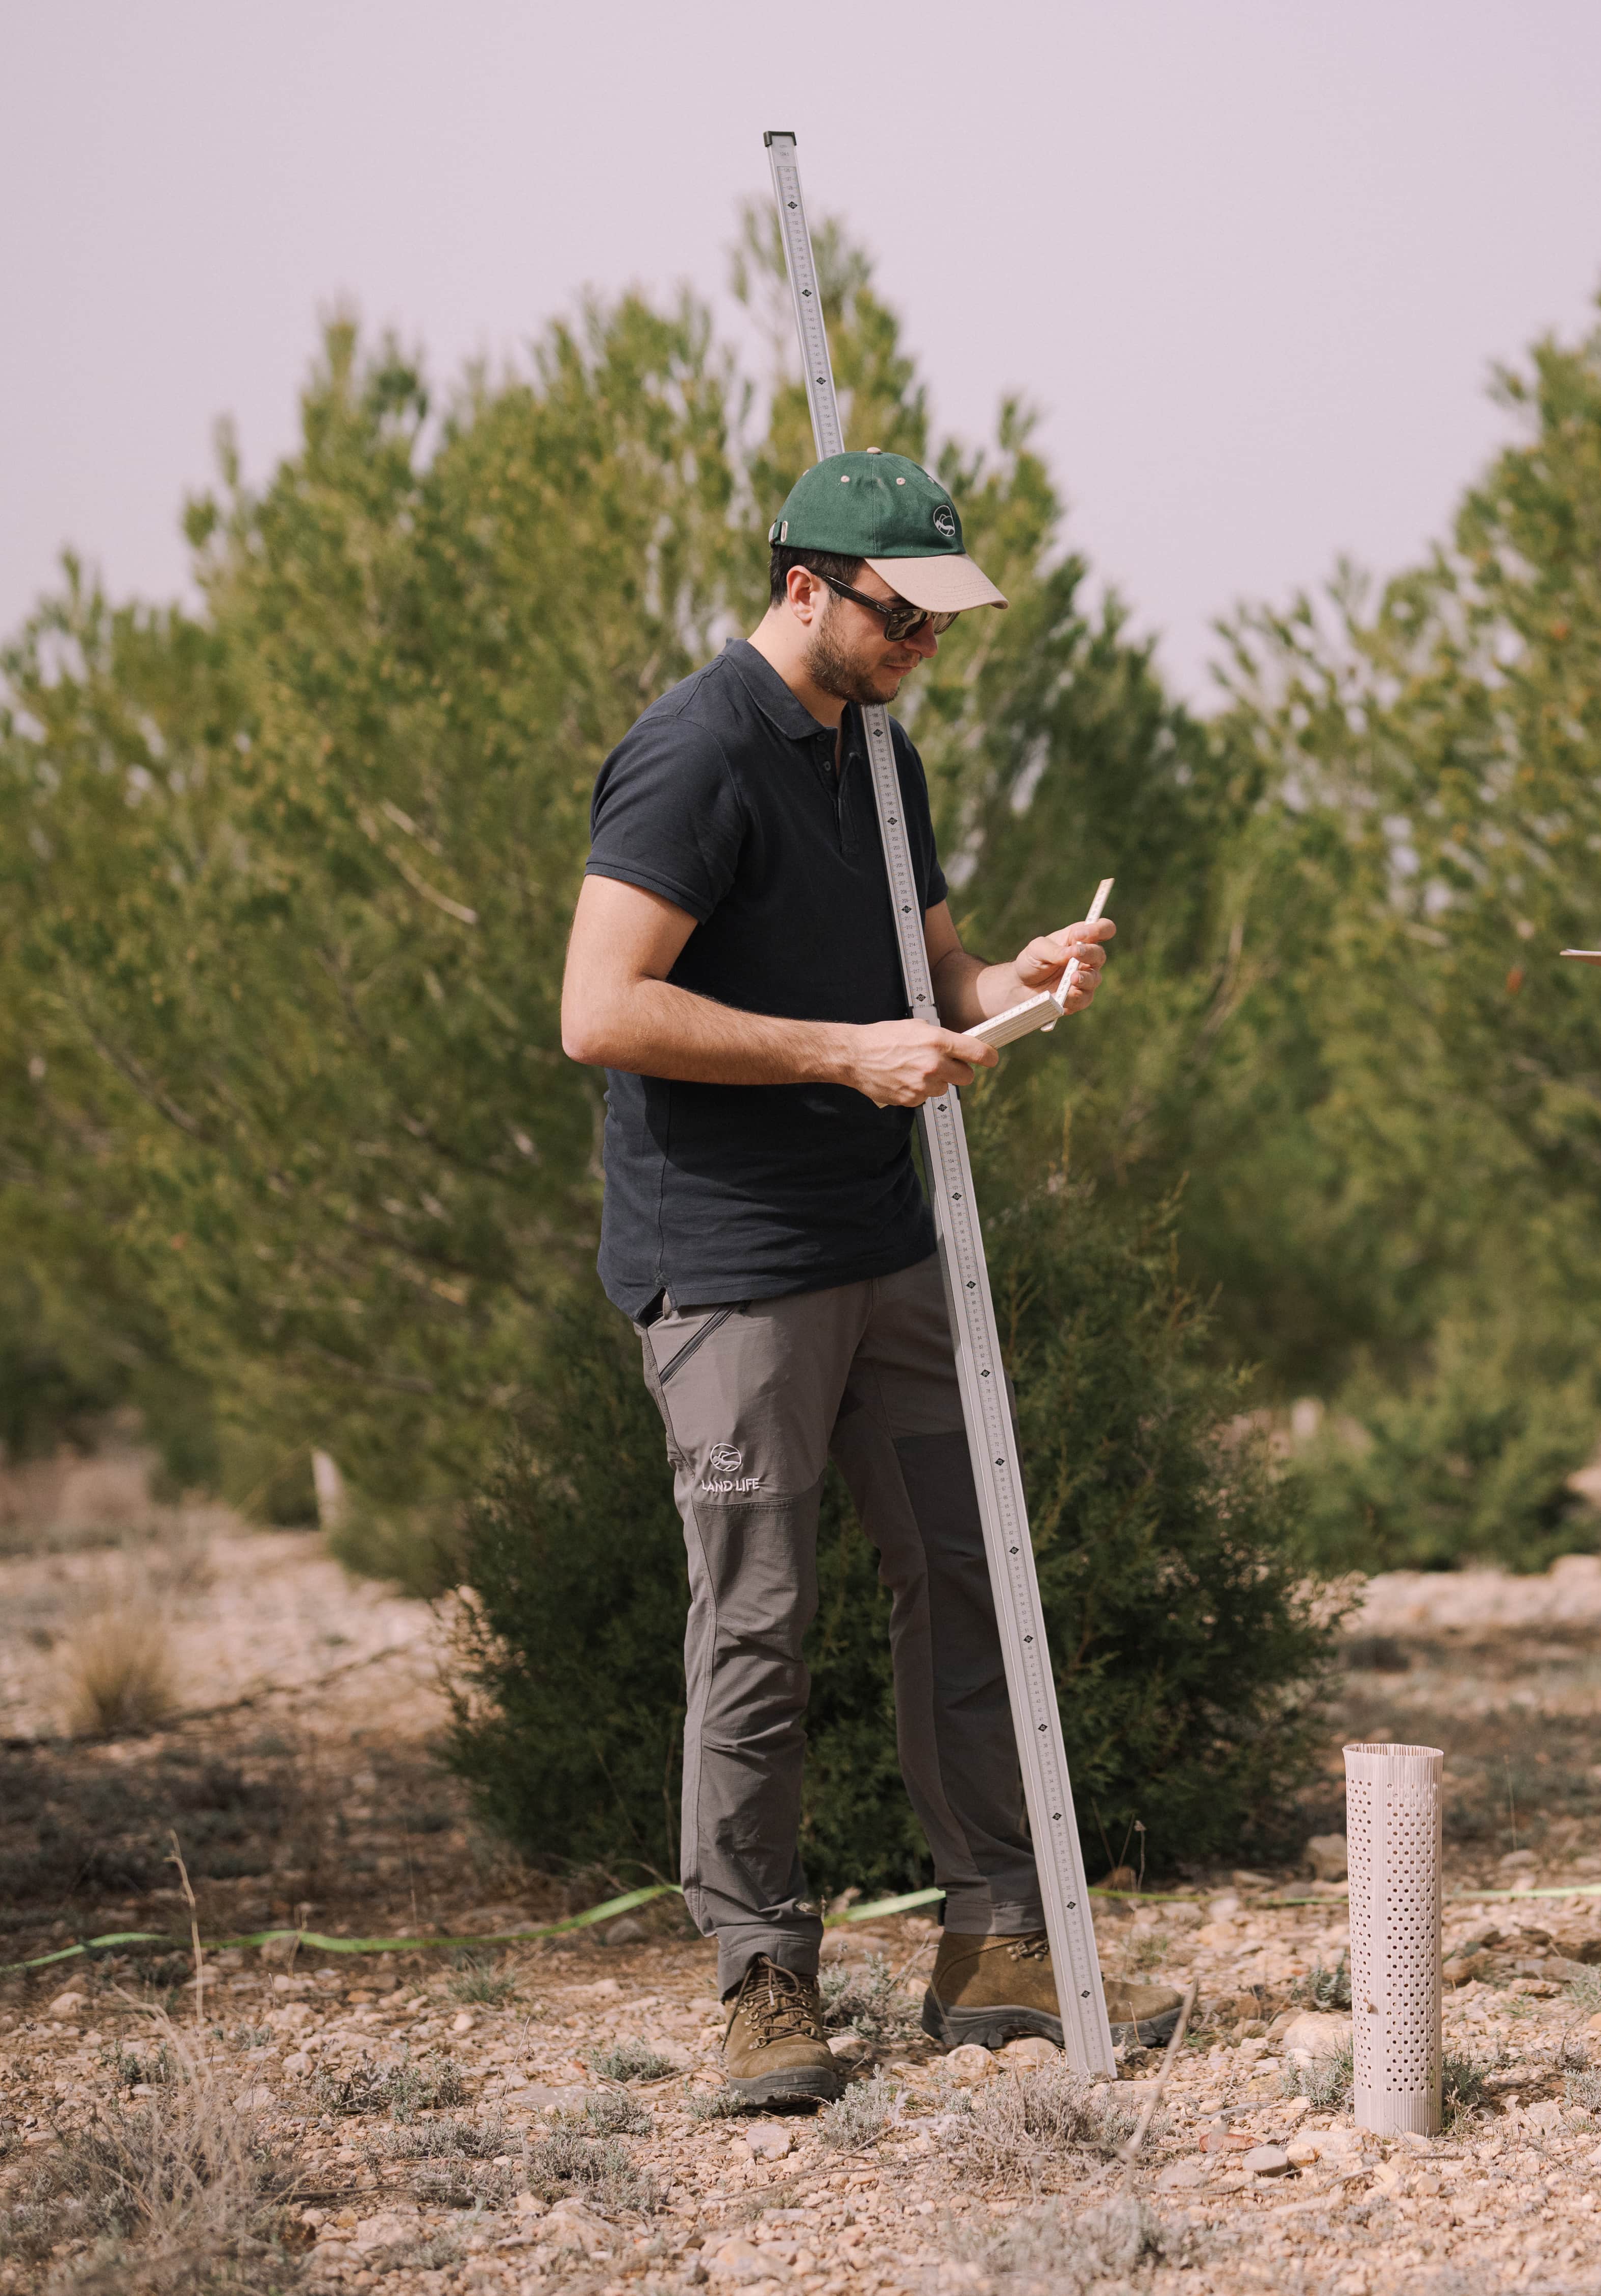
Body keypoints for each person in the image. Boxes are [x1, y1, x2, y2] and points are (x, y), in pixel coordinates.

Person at [558, 449, 1182, 2107]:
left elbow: (939, 974)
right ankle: (761, 1976)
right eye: (903, 614)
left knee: (968, 1575)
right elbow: (600, 1009)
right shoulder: (693, 754)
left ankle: (997, 1946)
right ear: (804, 587)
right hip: (732, 1268)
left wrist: (1014, 979)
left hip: (884, 1244)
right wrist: (847, 1053)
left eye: (943, 619)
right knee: (760, 1616)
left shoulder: (884, 753)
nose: (926, 643)